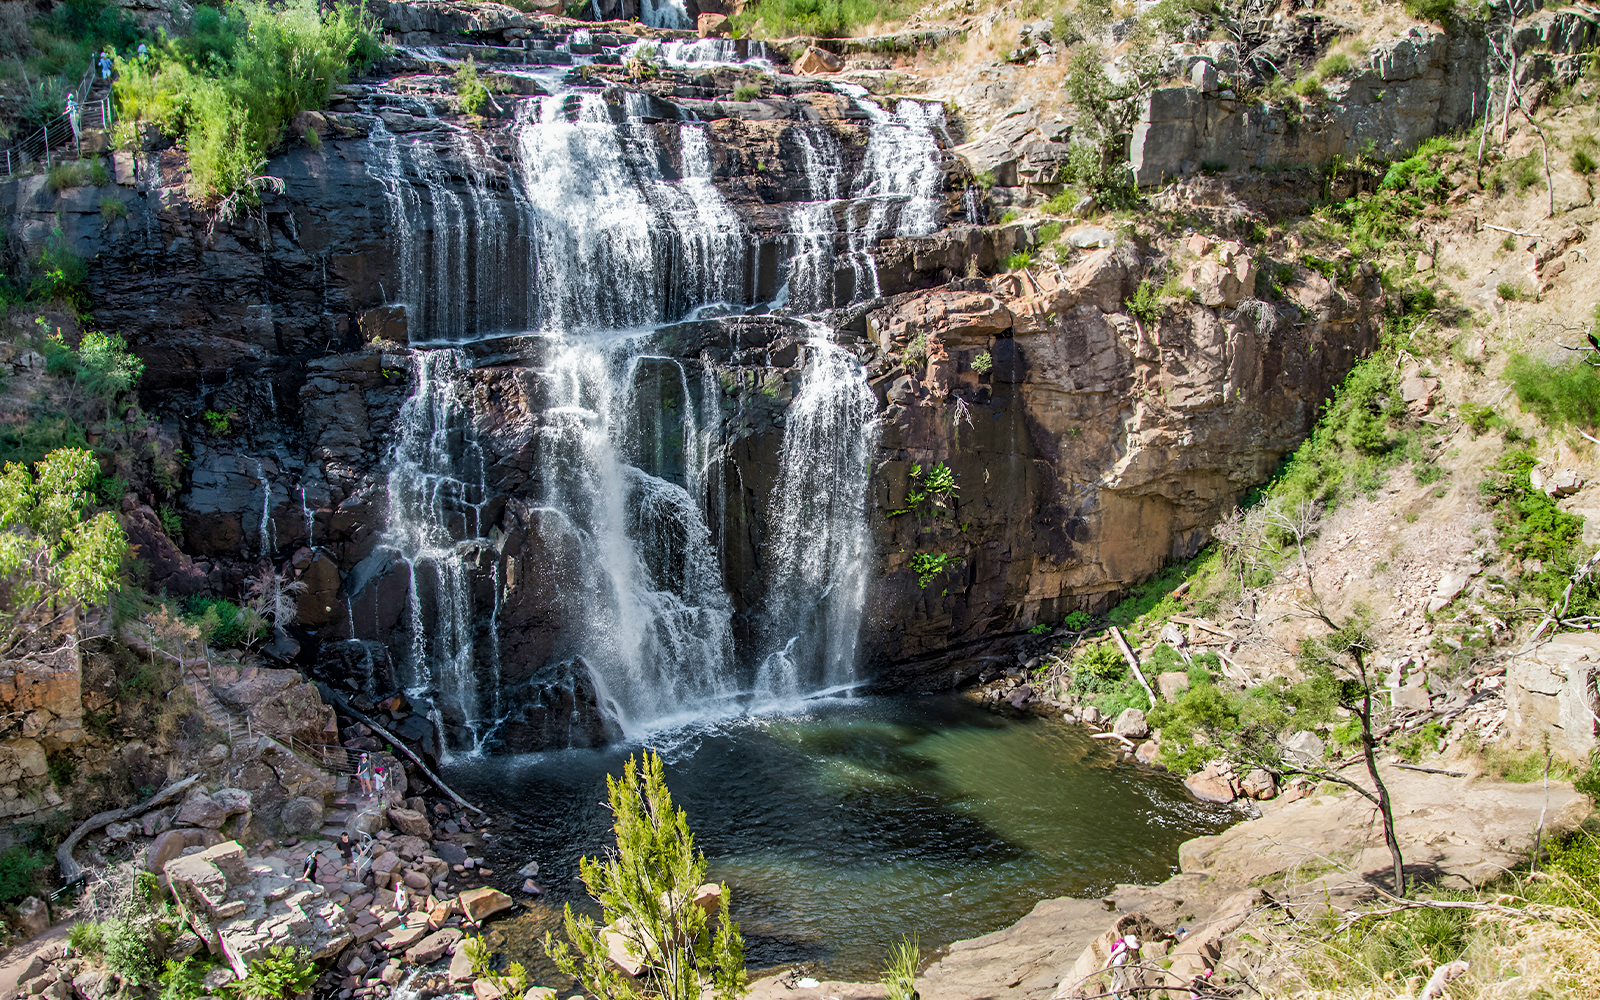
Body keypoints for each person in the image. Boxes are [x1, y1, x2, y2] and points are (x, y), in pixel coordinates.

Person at [1104, 933, 1138, 998]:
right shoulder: (1122, 946)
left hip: (1120, 964)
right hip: (1117, 964)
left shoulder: (1128, 949)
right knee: (1123, 978)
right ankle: (1116, 991)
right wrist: (1107, 963)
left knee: (1116, 977)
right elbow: (1114, 954)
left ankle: (1111, 990)